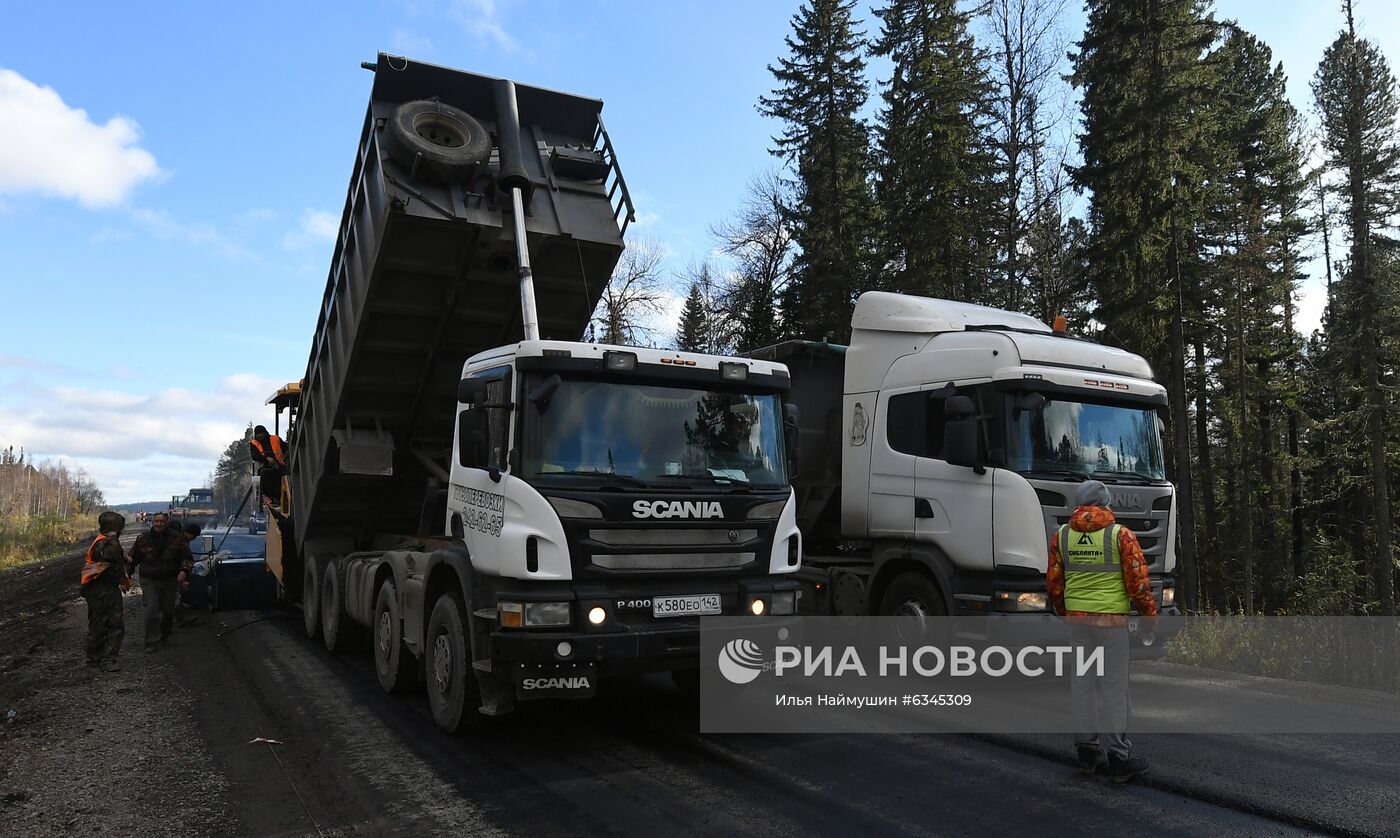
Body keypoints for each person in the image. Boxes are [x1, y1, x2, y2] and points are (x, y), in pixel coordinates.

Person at [1046, 479, 1158, 783]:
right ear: (1106, 503)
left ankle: (1087, 753)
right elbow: (1138, 584)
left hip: (1079, 623)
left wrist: (1064, 611)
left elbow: (1055, 583)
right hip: (1111, 624)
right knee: (1113, 689)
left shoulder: (1062, 536)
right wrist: (1149, 617)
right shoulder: (1120, 535)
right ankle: (1118, 759)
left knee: (1082, 685)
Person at [126, 511, 193, 651]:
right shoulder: (143, 538)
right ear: (152, 522)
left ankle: (164, 635)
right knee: (152, 609)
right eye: (156, 521)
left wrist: (184, 571)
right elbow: (133, 558)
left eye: (162, 521)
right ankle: (152, 642)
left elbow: (187, 557)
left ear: (166, 523)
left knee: (168, 611)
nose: (159, 524)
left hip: (169, 579)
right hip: (149, 579)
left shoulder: (177, 538)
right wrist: (127, 575)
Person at [80, 511, 129, 672]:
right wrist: (114, 538)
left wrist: (124, 578)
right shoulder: (103, 543)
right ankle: (94, 661)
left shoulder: (107, 542)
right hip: (98, 590)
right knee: (98, 626)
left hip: (110, 589)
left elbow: (115, 562)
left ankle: (110, 659)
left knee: (116, 625)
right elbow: (108, 556)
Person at [249, 425, 287, 506]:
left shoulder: (275, 439)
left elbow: (286, 448)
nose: (259, 436)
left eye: (261, 433)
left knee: (282, 479)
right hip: (265, 468)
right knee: (265, 478)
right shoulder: (254, 443)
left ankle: (280, 499)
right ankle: (269, 499)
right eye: (257, 434)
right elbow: (255, 456)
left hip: (280, 466)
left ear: (265, 433)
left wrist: (277, 462)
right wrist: (267, 458)